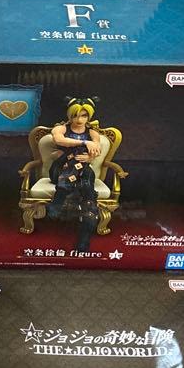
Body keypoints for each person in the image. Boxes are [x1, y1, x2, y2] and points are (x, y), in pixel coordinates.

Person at [46, 97, 102, 253]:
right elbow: (59, 140)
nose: (79, 119)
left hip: (83, 171)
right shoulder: (61, 128)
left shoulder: (92, 132)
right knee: (78, 169)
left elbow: (97, 150)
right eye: (75, 115)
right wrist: (84, 143)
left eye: (84, 116)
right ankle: (66, 197)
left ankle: (84, 236)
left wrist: (90, 157)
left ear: (89, 116)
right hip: (60, 169)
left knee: (86, 186)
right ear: (69, 115)